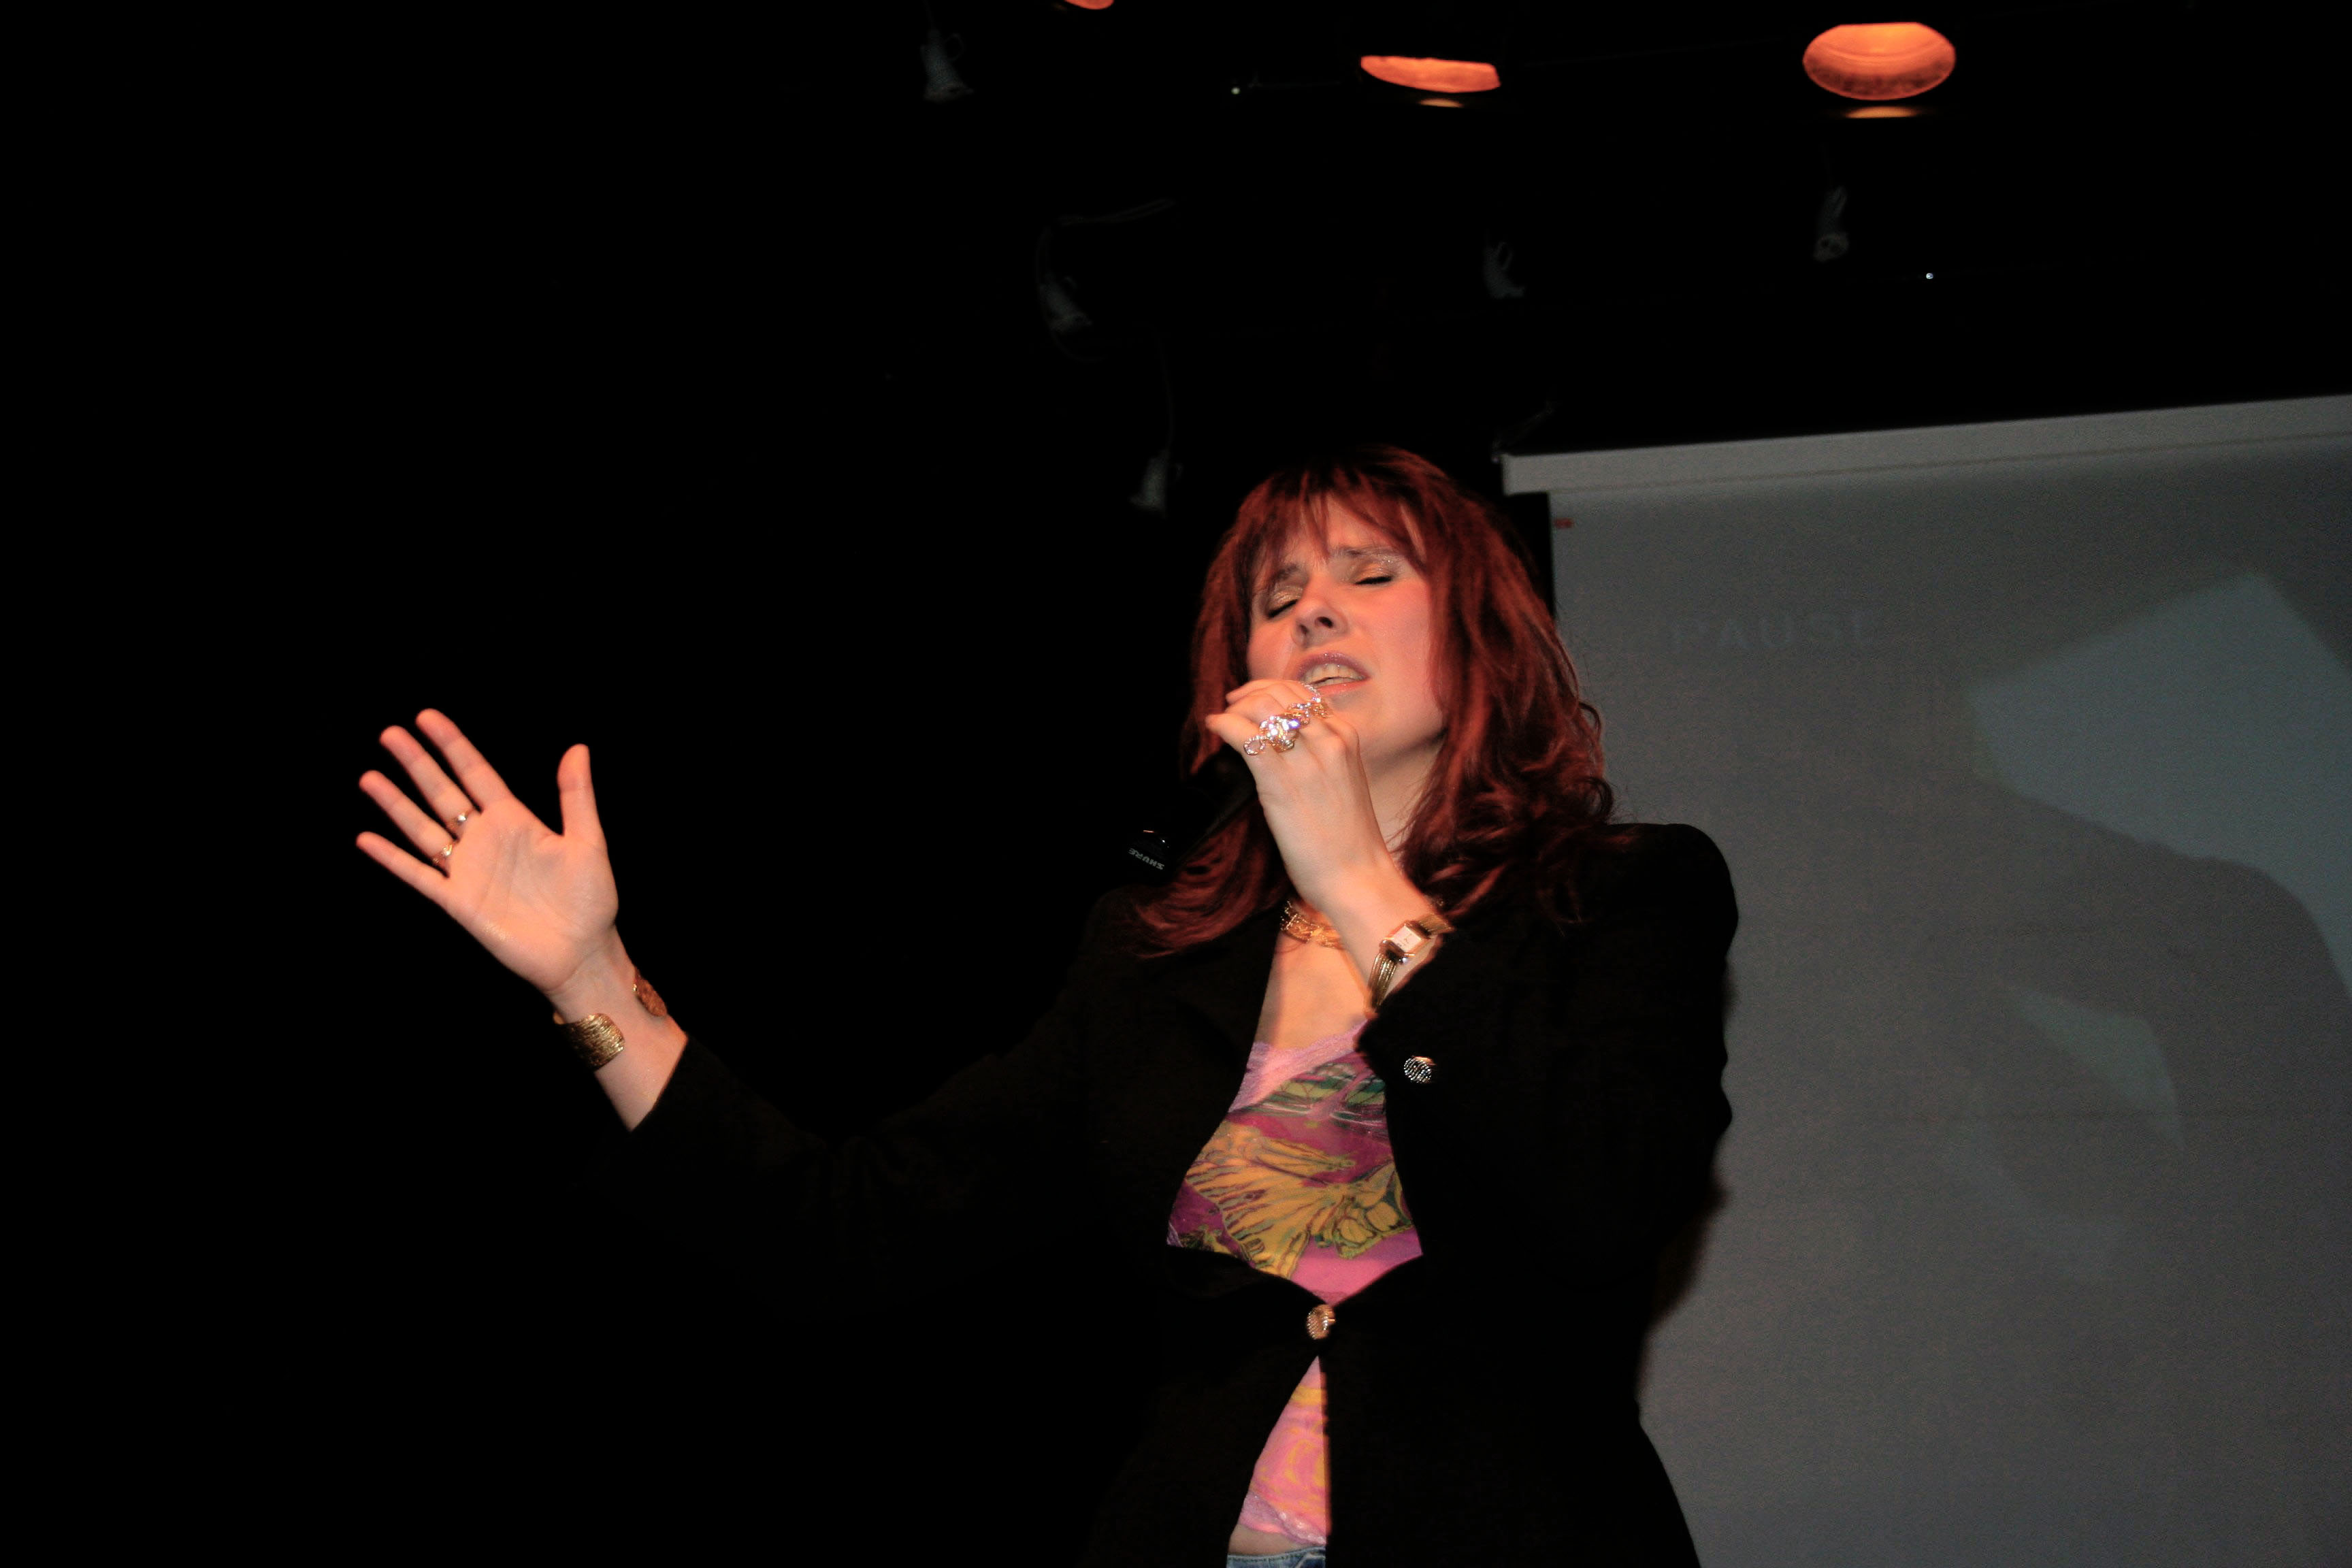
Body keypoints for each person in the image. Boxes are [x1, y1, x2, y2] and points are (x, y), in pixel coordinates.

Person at [356, 445, 1737, 1567]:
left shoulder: (1620, 896)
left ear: (1479, 640)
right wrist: (593, 980)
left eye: (1371, 574)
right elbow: (842, 1231)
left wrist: (1360, 882)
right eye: (1278, 595)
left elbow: (1608, 1189)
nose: (1313, 610)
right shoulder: (1151, 958)